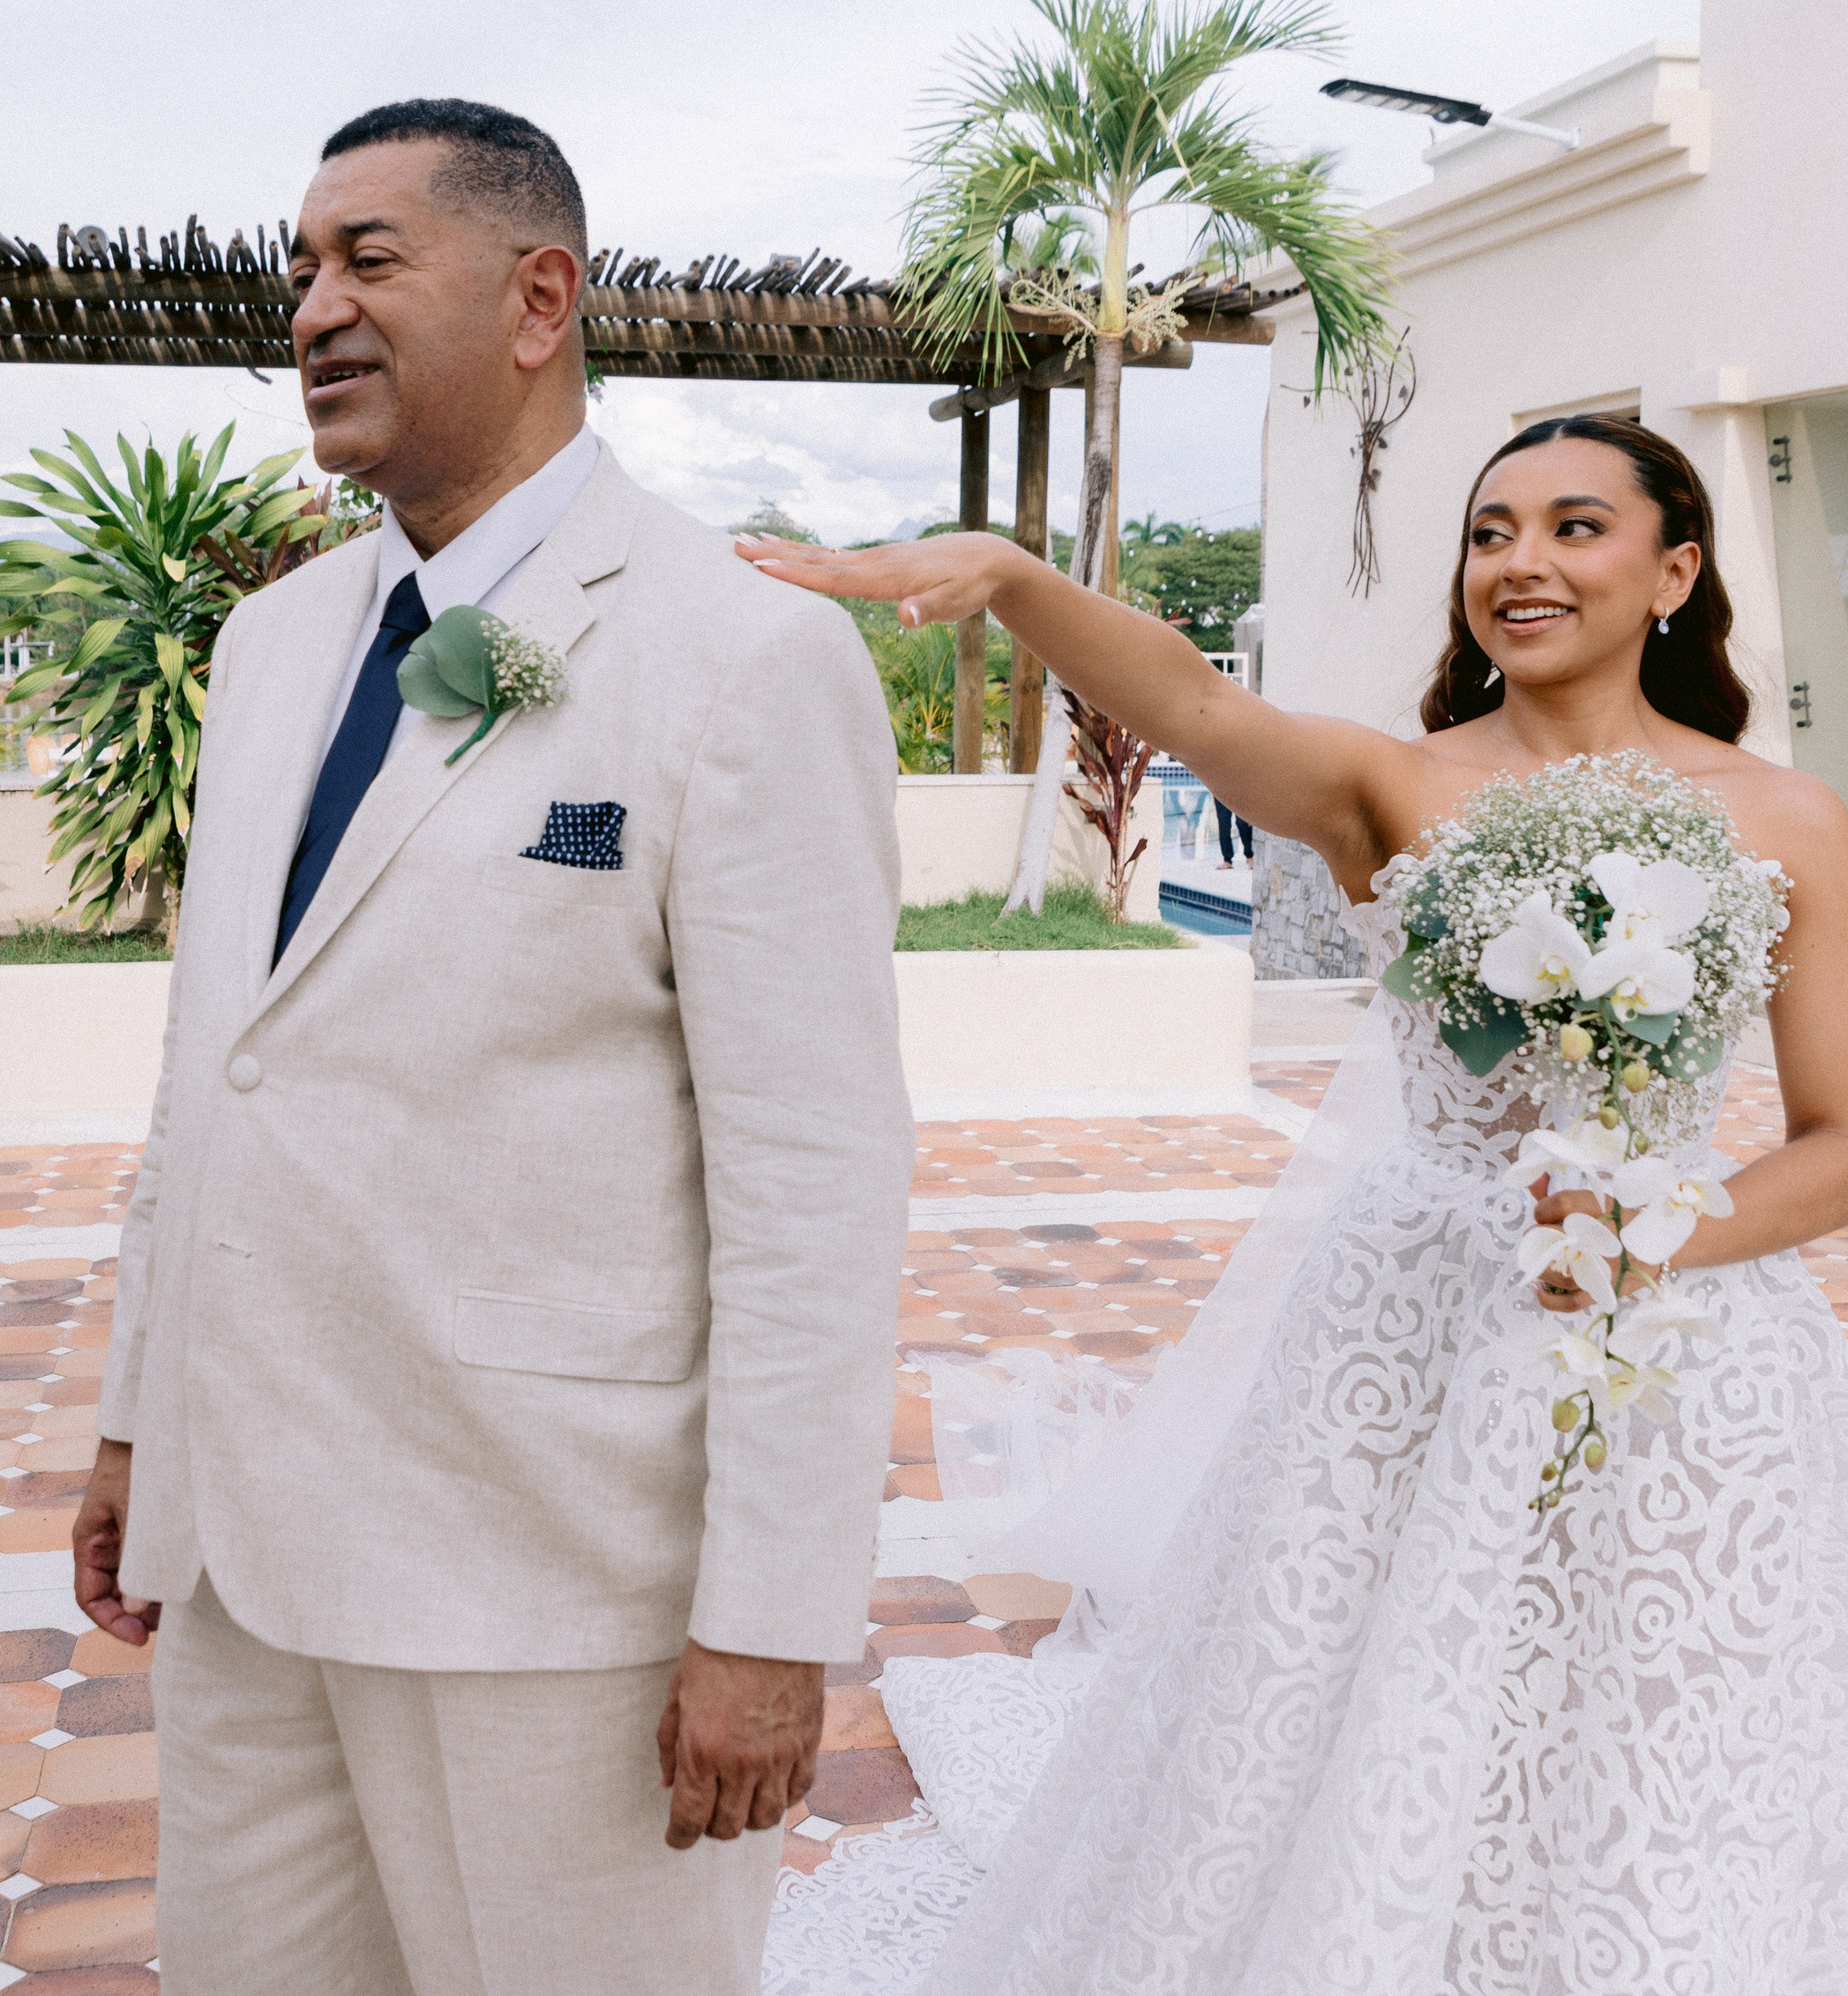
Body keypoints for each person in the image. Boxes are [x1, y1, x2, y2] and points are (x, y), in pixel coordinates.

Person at [743, 413, 1848, 1992]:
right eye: (1490, 532)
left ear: (1676, 569)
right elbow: (1188, 702)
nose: (1521, 563)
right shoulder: (1387, 785)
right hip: (1419, 1329)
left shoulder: (1791, 821)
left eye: (1574, 528)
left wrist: (1651, 1236)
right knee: (1361, 1690)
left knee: (1645, 1711)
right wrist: (1006, 580)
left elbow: (1837, 1136)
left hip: (1686, 1364)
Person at [71, 99, 913, 1996]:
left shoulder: (740, 658)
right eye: (298, 267)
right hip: (243, 1560)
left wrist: (768, 1617)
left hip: (552, 1593)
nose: (309, 307)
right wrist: (140, 1408)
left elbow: (815, 1180)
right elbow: (217, 1056)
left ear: (540, 297)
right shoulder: (275, 642)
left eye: (367, 258)